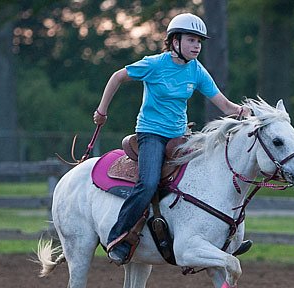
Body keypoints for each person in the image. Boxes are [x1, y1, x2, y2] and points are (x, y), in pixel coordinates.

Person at [93, 13, 249, 265]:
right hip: (151, 134)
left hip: (179, 136)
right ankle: (118, 237)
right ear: (174, 41)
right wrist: (102, 111)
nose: (197, 46)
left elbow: (224, 104)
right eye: (191, 40)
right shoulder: (154, 64)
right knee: (148, 183)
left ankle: (221, 238)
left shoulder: (197, 70)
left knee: (211, 173)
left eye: (199, 41)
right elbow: (117, 77)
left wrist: (244, 112)